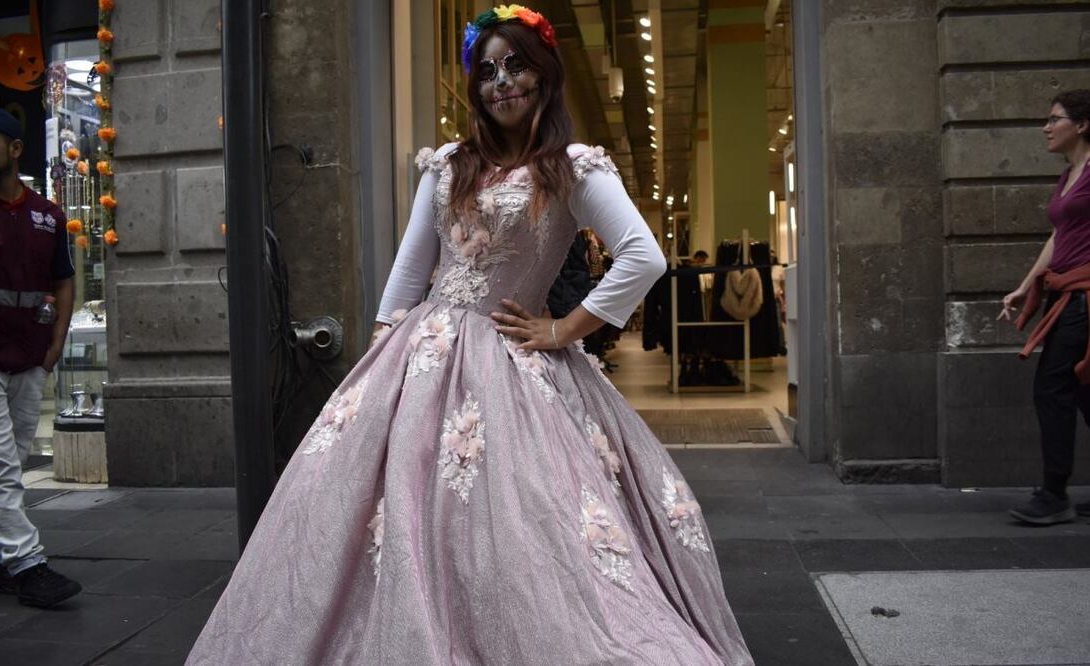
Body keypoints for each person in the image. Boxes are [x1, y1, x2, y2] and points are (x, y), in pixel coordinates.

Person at [188, 6, 753, 664]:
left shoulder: (570, 167)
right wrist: (375, 379)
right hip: (421, 355)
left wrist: (565, 326)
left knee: (523, 519)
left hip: (512, 360)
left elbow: (643, 256)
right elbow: (407, 277)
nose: (501, 81)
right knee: (390, 514)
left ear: (544, 75)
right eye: (486, 70)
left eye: (515, 65)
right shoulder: (449, 163)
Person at [0, 107, 82, 606]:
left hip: (30, 354)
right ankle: (28, 565)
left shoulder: (48, 215)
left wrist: (57, 344)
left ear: (14, 148)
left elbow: (63, 280)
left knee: (14, 457)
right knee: (0, 463)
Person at [1002, 89, 1090, 525]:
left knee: (1052, 387)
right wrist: (1024, 286)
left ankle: (1054, 494)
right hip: (1065, 295)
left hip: (1084, 298)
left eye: (1055, 119)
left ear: (1083, 124)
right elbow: (1059, 238)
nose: (1046, 127)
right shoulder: (1069, 175)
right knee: (1085, 391)